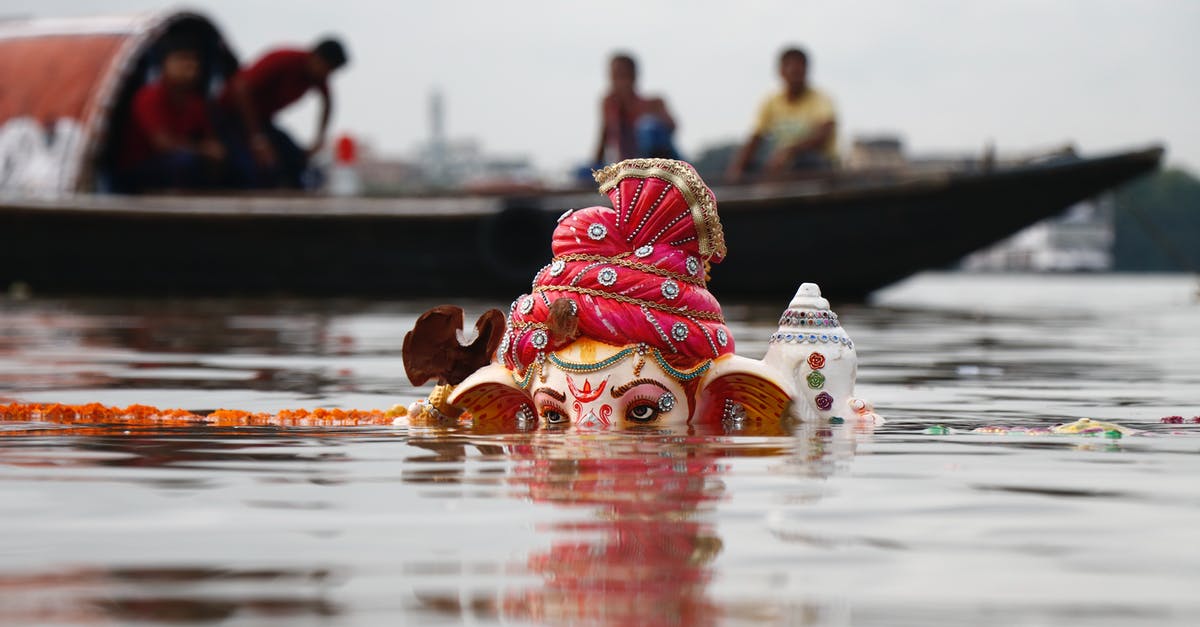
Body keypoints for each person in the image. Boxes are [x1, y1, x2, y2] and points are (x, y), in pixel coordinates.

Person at [217, 38, 348, 189]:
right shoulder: (285, 59)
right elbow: (241, 88)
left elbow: (328, 103)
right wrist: (257, 138)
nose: (326, 76)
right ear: (316, 57)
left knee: (295, 158)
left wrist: (319, 139)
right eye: (327, 69)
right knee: (251, 164)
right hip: (229, 114)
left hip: (261, 121)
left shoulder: (317, 78)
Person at [115, 36, 225, 192]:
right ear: (164, 64)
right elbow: (163, 145)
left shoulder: (195, 102)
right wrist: (203, 150)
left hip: (179, 164)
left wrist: (215, 151)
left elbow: (210, 138)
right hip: (142, 169)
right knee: (185, 161)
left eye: (194, 60)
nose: (190, 65)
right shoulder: (148, 97)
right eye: (181, 59)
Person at [727, 47, 837, 181]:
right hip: (784, 164)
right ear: (781, 72)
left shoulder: (821, 99)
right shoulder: (771, 102)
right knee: (748, 168)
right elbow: (756, 138)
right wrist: (737, 168)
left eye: (798, 71)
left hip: (815, 163)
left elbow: (824, 134)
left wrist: (790, 152)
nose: (795, 76)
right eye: (791, 71)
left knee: (806, 161)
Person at [593, 53, 679, 164]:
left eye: (622, 76)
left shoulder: (654, 103)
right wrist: (594, 167)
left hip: (658, 166)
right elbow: (603, 139)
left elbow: (672, 127)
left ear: (633, 77)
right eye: (614, 76)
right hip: (627, 168)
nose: (618, 82)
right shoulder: (610, 104)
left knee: (649, 127)